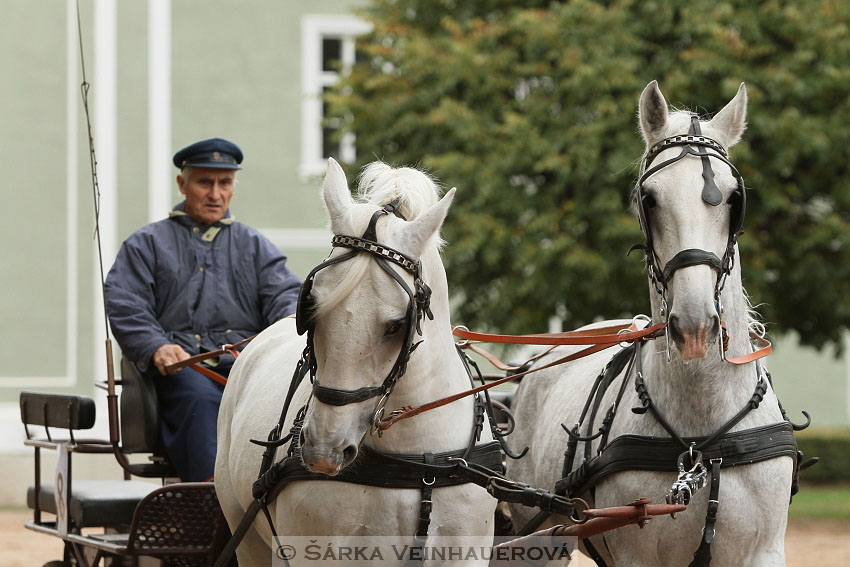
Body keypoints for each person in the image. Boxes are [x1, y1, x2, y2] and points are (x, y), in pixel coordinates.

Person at [105, 137, 302, 481]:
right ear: (182, 184)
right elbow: (126, 303)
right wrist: (156, 347)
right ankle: (208, 501)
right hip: (183, 370)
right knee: (199, 400)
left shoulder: (255, 246)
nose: (215, 194)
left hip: (243, 366)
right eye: (204, 182)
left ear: (233, 187)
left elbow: (285, 295)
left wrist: (289, 322)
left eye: (224, 183)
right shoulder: (146, 244)